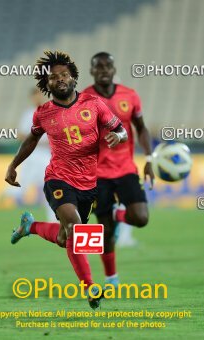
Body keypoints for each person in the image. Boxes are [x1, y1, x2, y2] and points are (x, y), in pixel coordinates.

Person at [4, 50, 128, 309]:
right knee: (74, 229)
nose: (59, 79)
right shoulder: (43, 113)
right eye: (53, 77)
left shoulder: (94, 104)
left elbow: (121, 129)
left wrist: (119, 137)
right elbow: (31, 139)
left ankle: (30, 227)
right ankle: (91, 288)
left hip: (89, 184)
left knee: (65, 238)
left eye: (64, 74)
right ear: (46, 84)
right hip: (58, 179)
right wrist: (14, 165)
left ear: (74, 78)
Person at [82, 52, 154, 287]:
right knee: (104, 231)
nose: (104, 69)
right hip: (96, 173)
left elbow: (141, 128)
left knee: (141, 218)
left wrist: (149, 158)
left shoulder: (129, 95)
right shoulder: (83, 99)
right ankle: (111, 277)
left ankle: (114, 213)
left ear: (114, 69)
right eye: (98, 66)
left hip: (125, 169)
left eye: (108, 65)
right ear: (92, 71)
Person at [14, 88, 56, 222]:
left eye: (39, 95)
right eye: (34, 96)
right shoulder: (28, 114)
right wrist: (35, 139)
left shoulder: (51, 113)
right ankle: (13, 212)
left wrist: (35, 139)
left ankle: (53, 218)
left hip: (45, 156)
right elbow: (19, 135)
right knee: (21, 186)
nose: (37, 98)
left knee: (50, 187)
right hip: (30, 155)